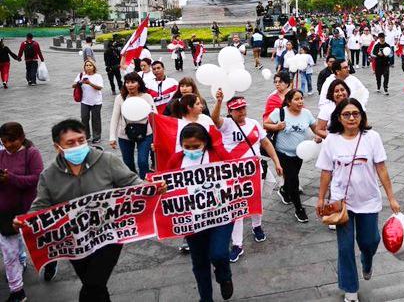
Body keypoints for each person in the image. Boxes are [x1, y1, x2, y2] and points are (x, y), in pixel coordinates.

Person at [16, 119, 162, 302]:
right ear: (57, 147)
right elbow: (40, 206)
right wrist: (26, 221)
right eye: (70, 142)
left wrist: (151, 187)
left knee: (92, 285)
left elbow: (132, 183)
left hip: (109, 235)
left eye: (81, 140)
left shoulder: (107, 161)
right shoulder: (49, 175)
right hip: (76, 242)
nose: (77, 145)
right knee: (95, 286)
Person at [315, 98, 400, 302]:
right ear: (339, 117)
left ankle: (367, 260)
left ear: (362, 116)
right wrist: (320, 198)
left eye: (356, 113)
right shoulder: (331, 140)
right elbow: (326, 171)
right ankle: (350, 289)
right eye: (346, 114)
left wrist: (392, 198)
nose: (352, 118)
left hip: (368, 199)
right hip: (340, 201)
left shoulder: (372, 137)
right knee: (344, 247)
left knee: (370, 241)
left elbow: (381, 168)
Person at [211, 94, 283, 263]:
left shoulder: (254, 123)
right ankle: (237, 244)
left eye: (243, 108)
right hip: (234, 173)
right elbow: (214, 119)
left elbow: (265, 143)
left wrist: (276, 161)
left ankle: (257, 226)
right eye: (237, 109)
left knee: (256, 201)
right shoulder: (227, 124)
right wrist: (219, 102)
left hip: (254, 171)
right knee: (238, 208)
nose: (241, 111)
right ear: (230, 111)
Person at [168, 122, 236, 300]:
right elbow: (167, 184)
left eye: (196, 146)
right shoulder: (176, 159)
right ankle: (205, 298)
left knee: (219, 253)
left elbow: (236, 173)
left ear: (205, 142)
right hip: (192, 220)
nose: (191, 150)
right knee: (199, 263)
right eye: (187, 147)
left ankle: (224, 277)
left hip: (222, 215)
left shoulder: (218, 154)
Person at [0, 122, 44, 302]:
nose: (8, 145)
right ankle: (17, 290)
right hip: (5, 210)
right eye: (4, 142)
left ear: (21, 137)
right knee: (8, 252)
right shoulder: (1, 154)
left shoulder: (31, 153)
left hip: (27, 208)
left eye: (12, 141)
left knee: (39, 239)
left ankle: (47, 261)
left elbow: (37, 179)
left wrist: (11, 178)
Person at [264, 89, 322, 223]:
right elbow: (265, 124)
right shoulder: (280, 112)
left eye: (301, 98)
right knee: (294, 180)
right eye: (296, 99)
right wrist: (277, 126)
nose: (300, 101)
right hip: (282, 153)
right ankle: (299, 209)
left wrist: (318, 136)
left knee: (291, 178)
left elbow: (316, 128)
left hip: (300, 153)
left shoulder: (306, 113)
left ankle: (284, 190)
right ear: (289, 102)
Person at [109, 72, 157, 179]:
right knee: (127, 163)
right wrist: (112, 137)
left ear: (139, 83)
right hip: (125, 134)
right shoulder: (120, 98)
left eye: (133, 82)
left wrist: (156, 138)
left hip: (145, 133)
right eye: (127, 82)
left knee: (143, 161)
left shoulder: (147, 97)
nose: (130, 85)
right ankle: (133, 181)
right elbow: (115, 118)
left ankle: (145, 182)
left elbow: (155, 117)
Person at [73, 59, 104, 144]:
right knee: (84, 118)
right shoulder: (81, 75)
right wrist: (79, 83)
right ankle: (86, 136)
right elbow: (73, 85)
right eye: (86, 65)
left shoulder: (98, 76)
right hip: (85, 101)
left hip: (96, 101)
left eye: (90, 65)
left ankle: (97, 136)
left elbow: (100, 87)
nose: (88, 67)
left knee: (96, 119)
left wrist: (89, 83)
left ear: (94, 67)